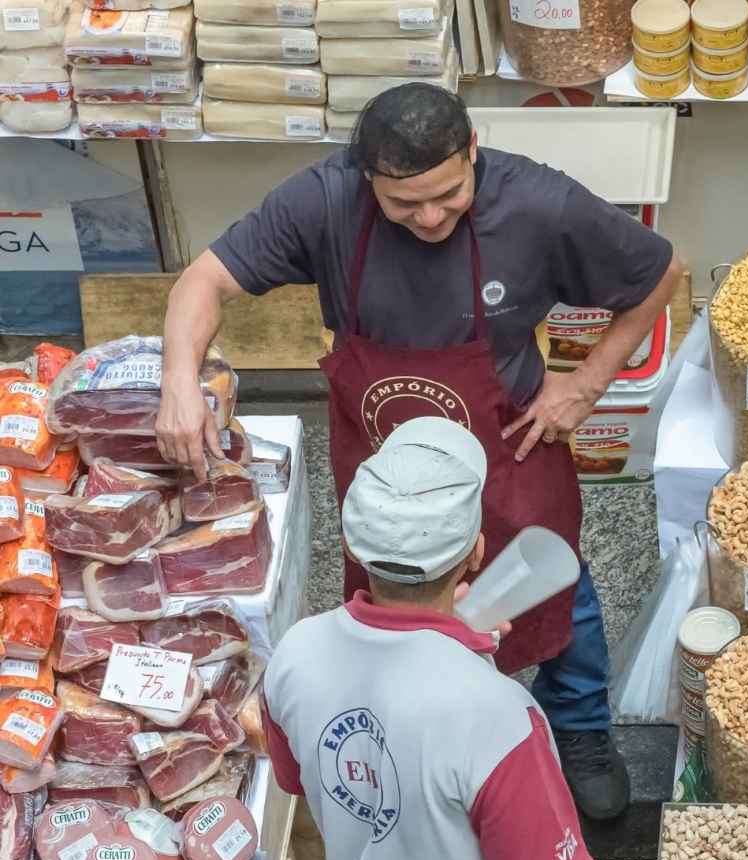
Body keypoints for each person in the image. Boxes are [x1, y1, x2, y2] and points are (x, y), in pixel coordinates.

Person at [157, 83, 683, 818]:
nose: (430, 217)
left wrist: (586, 381)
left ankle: (583, 732)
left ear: (473, 151)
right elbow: (202, 281)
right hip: (383, 459)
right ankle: (415, 738)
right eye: (405, 205)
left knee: (552, 585)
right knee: (394, 610)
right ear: (366, 178)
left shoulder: (537, 204)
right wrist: (179, 381)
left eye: (448, 194)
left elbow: (660, 272)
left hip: (507, 447)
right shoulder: (324, 201)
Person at [262, 416, 594, 860]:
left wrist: (449, 647)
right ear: (477, 554)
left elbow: (306, 791)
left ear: (350, 548)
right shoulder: (500, 717)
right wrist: (457, 658)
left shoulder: (293, 654)